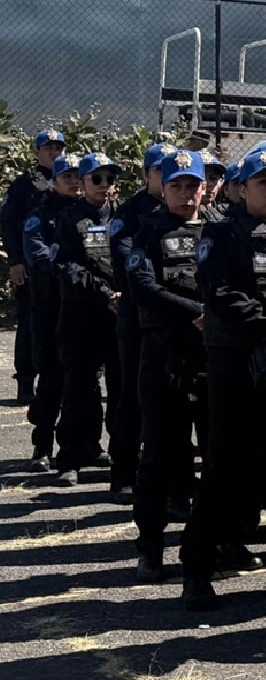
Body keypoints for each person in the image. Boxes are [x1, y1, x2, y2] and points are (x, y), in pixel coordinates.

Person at [181, 145, 266, 611]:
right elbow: (223, 294)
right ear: (239, 188)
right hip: (235, 363)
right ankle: (196, 568)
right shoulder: (222, 233)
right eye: (264, 182)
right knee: (225, 466)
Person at [127, 150, 209, 582]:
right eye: (176, 184)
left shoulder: (218, 230)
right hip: (163, 353)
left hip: (212, 354)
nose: (184, 193)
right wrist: (195, 311)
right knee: (158, 452)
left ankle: (214, 543)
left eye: (192, 185)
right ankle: (150, 546)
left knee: (216, 452)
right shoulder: (148, 232)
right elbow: (143, 286)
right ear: (163, 187)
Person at [50, 153, 123, 483]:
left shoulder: (123, 218)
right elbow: (68, 267)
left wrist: (122, 294)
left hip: (118, 317)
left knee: (121, 390)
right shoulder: (70, 220)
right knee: (78, 388)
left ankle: (120, 457)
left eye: (109, 179)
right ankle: (70, 459)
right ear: (82, 182)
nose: (104, 185)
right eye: (97, 179)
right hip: (82, 316)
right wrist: (103, 292)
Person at [107, 144, 176, 500]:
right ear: (148, 175)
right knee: (133, 394)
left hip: (179, 322)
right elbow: (123, 254)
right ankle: (123, 470)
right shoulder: (131, 212)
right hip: (138, 314)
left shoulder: (191, 213)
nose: (168, 178)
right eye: (160, 171)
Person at [20, 155, 80, 469]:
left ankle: (78, 447)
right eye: (65, 175)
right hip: (50, 308)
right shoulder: (40, 215)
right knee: (51, 379)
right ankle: (41, 445)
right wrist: (70, 268)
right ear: (53, 181)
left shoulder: (89, 213)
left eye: (76, 175)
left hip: (81, 309)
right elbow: (37, 252)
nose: (72, 180)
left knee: (80, 382)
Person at [4, 128, 64, 407]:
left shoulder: (71, 180)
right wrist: (15, 261)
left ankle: (59, 379)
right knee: (29, 323)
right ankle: (26, 382)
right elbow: (8, 224)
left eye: (58, 147)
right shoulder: (24, 185)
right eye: (48, 147)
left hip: (63, 267)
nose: (54, 151)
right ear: (37, 151)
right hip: (32, 266)